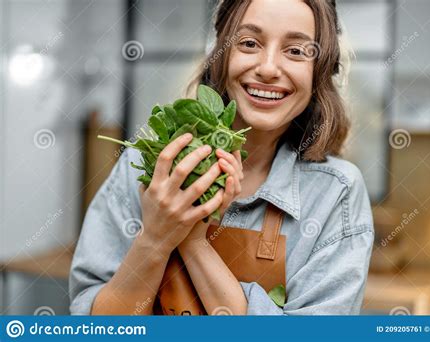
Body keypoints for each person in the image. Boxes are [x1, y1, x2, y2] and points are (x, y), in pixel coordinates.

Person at [69, 0, 374, 315]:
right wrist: (154, 239)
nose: (268, 68)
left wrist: (192, 239)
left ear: (320, 72)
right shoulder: (143, 167)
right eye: (249, 43)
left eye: (296, 51)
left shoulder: (337, 192)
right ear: (221, 54)